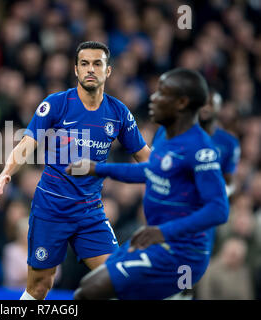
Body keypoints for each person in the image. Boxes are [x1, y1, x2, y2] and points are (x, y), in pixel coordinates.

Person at [0, 41, 151, 300]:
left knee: (118, 280)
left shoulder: (119, 113)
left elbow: (145, 156)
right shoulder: (56, 104)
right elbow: (27, 143)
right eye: (84, 64)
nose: (90, 69)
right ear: (75, 70)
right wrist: (6, 171)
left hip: (90, 211)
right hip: (51, 208)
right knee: (40, 286)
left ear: (108, 71)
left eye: (97, 64)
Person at [67, 68, 229, 300]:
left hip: (181, 254)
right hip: (156, 242)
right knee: (95, 288)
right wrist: (97, 168)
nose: (153, 98)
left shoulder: (201, 150)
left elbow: (219, 209)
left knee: (89, 292)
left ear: (182, 102)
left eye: (162, 93)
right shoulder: (164, 134)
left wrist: (163, 232)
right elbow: (152, 170)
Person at [198, 89, 240, 196]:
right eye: (203, 103)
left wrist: (220, 195)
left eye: (211, 104)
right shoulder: (183, 135)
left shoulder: (230, 143)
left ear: (219, 108)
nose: (205, 108)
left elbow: (229, 180)